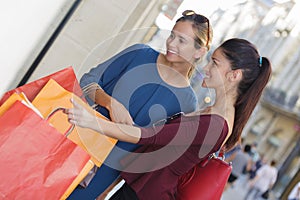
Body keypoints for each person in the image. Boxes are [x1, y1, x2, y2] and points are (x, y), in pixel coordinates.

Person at [65, 38, 272, 199]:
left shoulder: (215, 124)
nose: (206, 68)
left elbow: (148, 137)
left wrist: (92, 122)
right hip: (138, 190)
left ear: (234, 75)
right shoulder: (213, 113)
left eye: (215, 63)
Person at [68, 10, 213, 200]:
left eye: (181, 41)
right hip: (75, 141)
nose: (171, 43)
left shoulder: (187, 103)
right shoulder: (139, 54)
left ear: (200, 51)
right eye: (172, 36)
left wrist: (108, 189)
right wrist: (110, 103)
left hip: (105, 172)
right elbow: (88, 81)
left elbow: (149, 153)